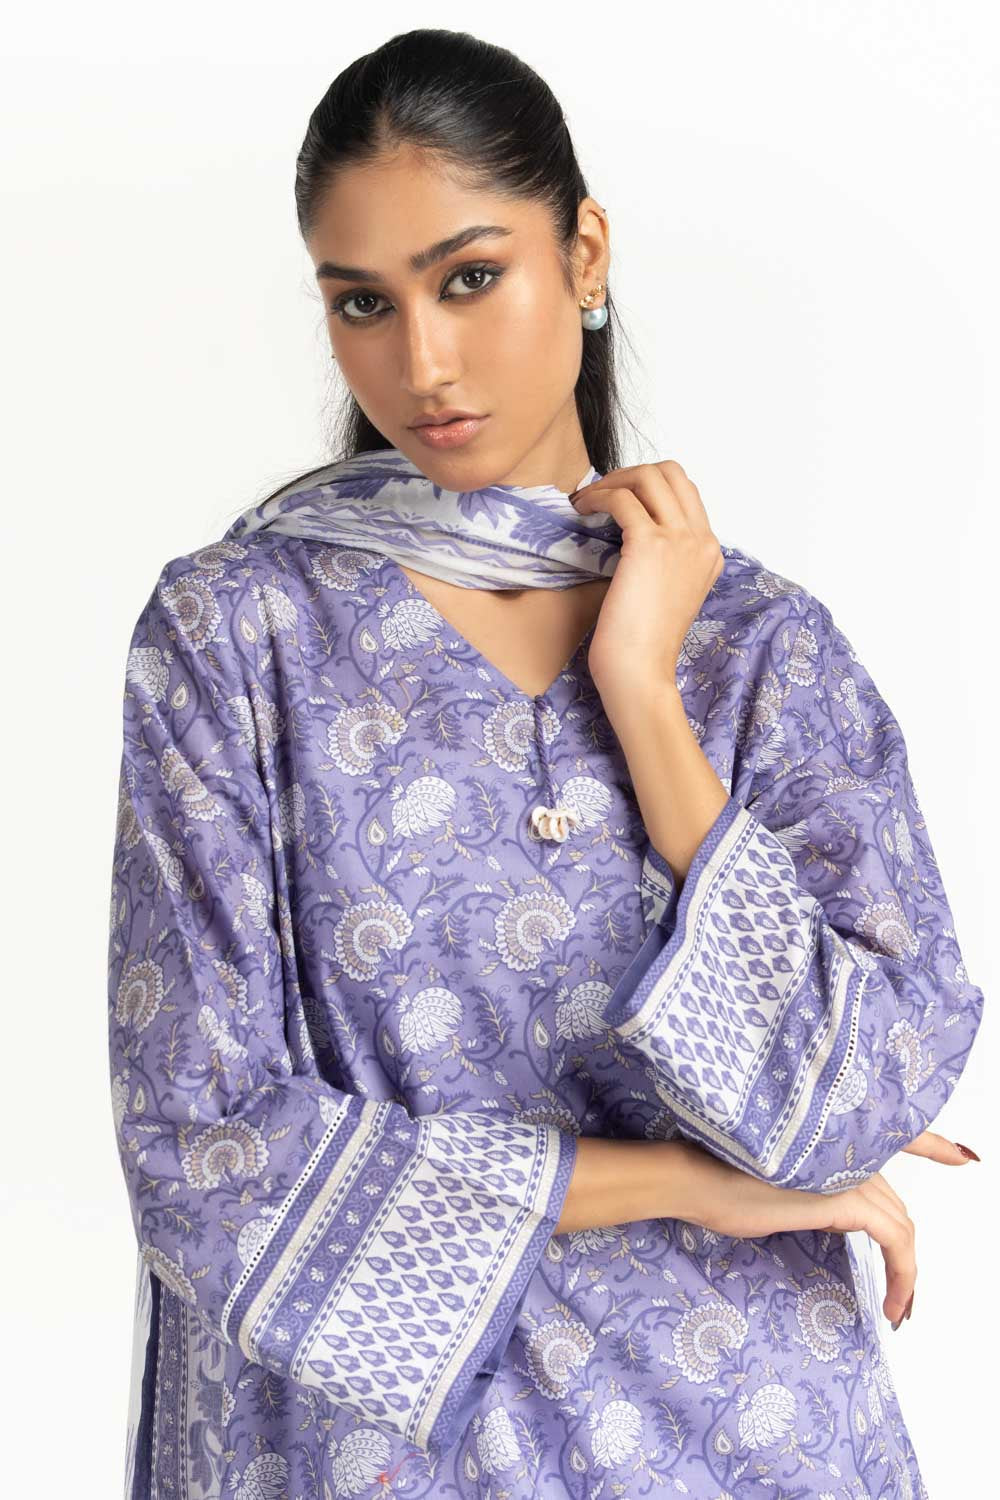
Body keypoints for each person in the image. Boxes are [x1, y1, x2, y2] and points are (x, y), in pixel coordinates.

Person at [107, 27, 984, 1500]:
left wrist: (643, 698)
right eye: (362, 303)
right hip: (382, 1454)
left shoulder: (758, 652)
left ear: (583, 256)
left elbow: (857, 1098)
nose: (422, 363)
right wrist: (688, 1184)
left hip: (746, 1436)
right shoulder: (239, 635)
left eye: (468, 278)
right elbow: (203, 1153)